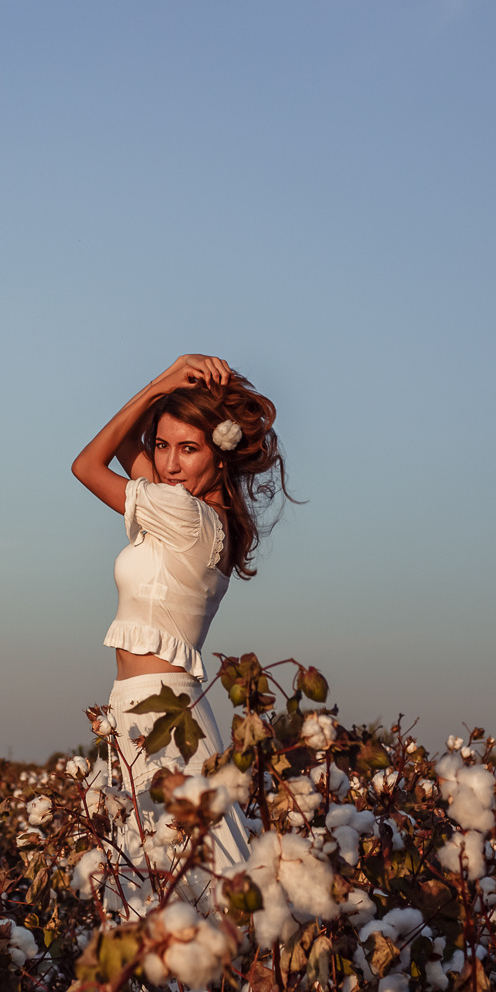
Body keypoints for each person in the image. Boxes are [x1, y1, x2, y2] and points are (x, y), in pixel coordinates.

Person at [70, 353, 295, 907]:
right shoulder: (203, 516)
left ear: (220, 456)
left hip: (158, 712)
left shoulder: (183, 515)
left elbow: (88, 464)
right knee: (179, 883)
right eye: (163, 445)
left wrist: (159, 384)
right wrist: (163, 393)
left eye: (188, 449)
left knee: (169, 889)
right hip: (153, 706)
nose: (169, 464)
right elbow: (128, 449)